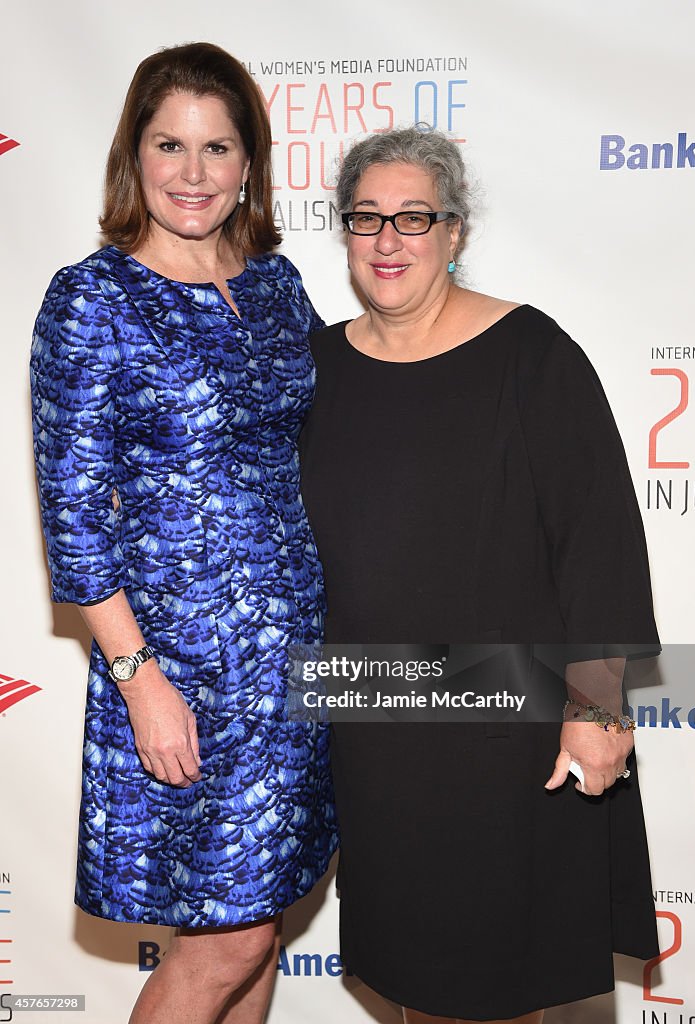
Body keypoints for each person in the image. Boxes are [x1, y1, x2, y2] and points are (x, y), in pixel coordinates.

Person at [300, 126, 660, 1024]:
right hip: (379, 741)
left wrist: (598, 707)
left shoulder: (530, 355)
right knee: (421, 988)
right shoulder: (317, 370)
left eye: (413, 217)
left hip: (509, 742)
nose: (388, 239)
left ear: (454, 231)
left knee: (496, 990)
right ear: (343, 231)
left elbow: (599, 544)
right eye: (366, 217)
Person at [30, 42, 336, 1024]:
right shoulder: (93, 299)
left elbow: (329, 449)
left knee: (261, 921)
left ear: (250, 163)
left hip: (293, 659)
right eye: (170, 145)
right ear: (135, 155)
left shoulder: (280, 289)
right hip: (181, 668)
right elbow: (74, 524)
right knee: (227, 936)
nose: (193, 173)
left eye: (217, 147)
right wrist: (138, 680)